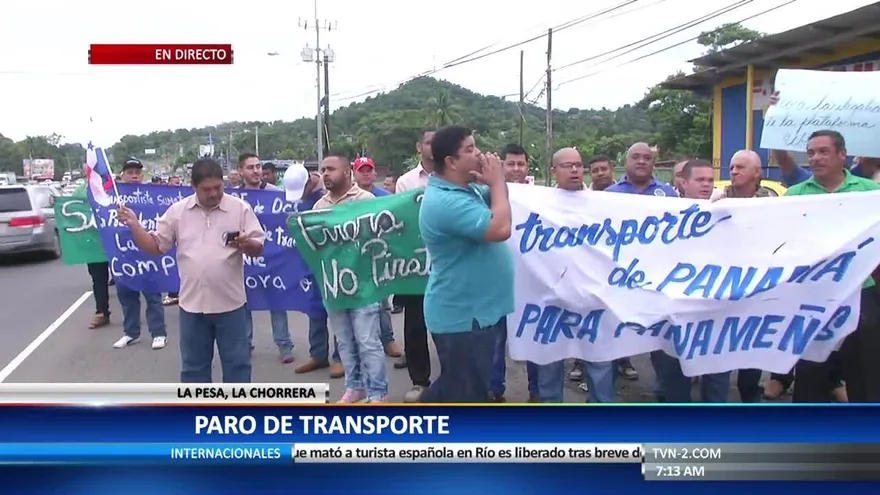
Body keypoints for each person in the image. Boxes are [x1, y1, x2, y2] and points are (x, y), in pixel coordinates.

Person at [119, 157, 265, 383]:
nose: (214, 194)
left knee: (238, 365)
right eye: (207, 189)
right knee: (193, 370)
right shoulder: (178, 212)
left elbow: (258, 248)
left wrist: (247, 243)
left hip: (232, 306)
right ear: (193, 186)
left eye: (218, 187)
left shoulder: (240, 209)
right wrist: (135, 226)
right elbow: (155, 246)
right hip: (192, 308)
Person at [784, 130, 880, 403]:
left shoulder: (870, 193)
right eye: (811, 152)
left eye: (823, 151)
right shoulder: (793, 196)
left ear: (842, 154)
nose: (815, 158)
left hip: (862, 293)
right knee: (810, 373)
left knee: (865, 373)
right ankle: (807, 438)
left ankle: (866, 437)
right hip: (812, 295)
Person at [419, 125, 513, 402]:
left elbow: (501, 204)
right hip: (462, 317)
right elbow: (500, 228)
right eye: (470, 149)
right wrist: (496, 183)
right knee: (465, 393)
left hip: (477, 312)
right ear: (450, 161)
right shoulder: (446, 201)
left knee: (463, 385)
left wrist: (494, 184)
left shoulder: (466, 190)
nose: (479, 153)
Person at [606, 143, 677, 401]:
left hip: (658, 284)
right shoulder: (609, 195)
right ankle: (607, 398)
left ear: (653, 163)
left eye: (647, 158)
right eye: (636, 157)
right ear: (625, 161)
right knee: (613, 342)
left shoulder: (668, 194)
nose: (641, 161)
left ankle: (666, 398)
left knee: (662, 346)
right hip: (619, 282)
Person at [314, 151, 387, 403]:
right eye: (323, 170)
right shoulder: (319, 207)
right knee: (344, 341)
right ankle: (354, 386)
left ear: (347, 172)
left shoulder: (367, 200)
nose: (325, 174)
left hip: (364, 284)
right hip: (333, 285)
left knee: (368, 341)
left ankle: (378, 392)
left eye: (330, 169)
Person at [490, 143, 538, 402]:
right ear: (502, 165)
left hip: (532, 282)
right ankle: (494, 390)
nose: (517, 169)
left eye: (521, 164)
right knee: (496, 341)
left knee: (533, 337)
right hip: (497, 281)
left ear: (528, 166)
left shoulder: (542, 197)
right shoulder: (488, 194)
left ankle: (537, 392)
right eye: (511, 164)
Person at [237, 153, 295, 363]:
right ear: (240, 171)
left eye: (258, 166)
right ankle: (245, 344)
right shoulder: (235, 198)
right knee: (243, 304)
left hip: (273, 260)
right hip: (245, 259)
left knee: (277, 302)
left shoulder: (277, 194)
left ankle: (284, 345)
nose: (256, 171)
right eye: (250, 167)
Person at [394, 130, 435, 402]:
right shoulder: (406, 181)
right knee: (415, 325)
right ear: (419, 147)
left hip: (448, 262)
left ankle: (454, 380)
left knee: (449, 327)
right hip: (415, 264)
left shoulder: (454, 176)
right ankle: (419, 381)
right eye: (430, 142)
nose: (434, 147)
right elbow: (401, 220)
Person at [112, 158, 168, 350]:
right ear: (123, 175)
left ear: (142, 175)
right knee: (127, 297)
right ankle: (130, 333)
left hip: (147, 254)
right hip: (124, 255)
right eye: (130, 172)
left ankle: (159, 333)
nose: (134, 175)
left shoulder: (151, 195)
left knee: (153, 296)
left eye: (137, 172)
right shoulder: (113, 196)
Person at [352, 156, 403, 358]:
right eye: (361, 170)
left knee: (383, 302)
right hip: (354, 258)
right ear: (354, 173)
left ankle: (388, 339)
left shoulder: (385, 197)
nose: (365, 173)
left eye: (368, 170)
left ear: (374, 173)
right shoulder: (349, 197)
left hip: (379, 255)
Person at [294, 171, 344, 379]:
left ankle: (341, 358)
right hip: (312, 260)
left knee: (338, 312)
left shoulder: (324, 198)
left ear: (309, 182)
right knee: (315, 310)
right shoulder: (301, 199)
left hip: (335, 261)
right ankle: (318, 354)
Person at [71, 179, 111, 329]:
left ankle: (132, 315)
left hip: (116, 241)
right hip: (94, 243)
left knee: (124, 277)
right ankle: (102, 312)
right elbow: (73, 206)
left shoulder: (113, 186)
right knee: (98, 279)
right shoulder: (81, 189)